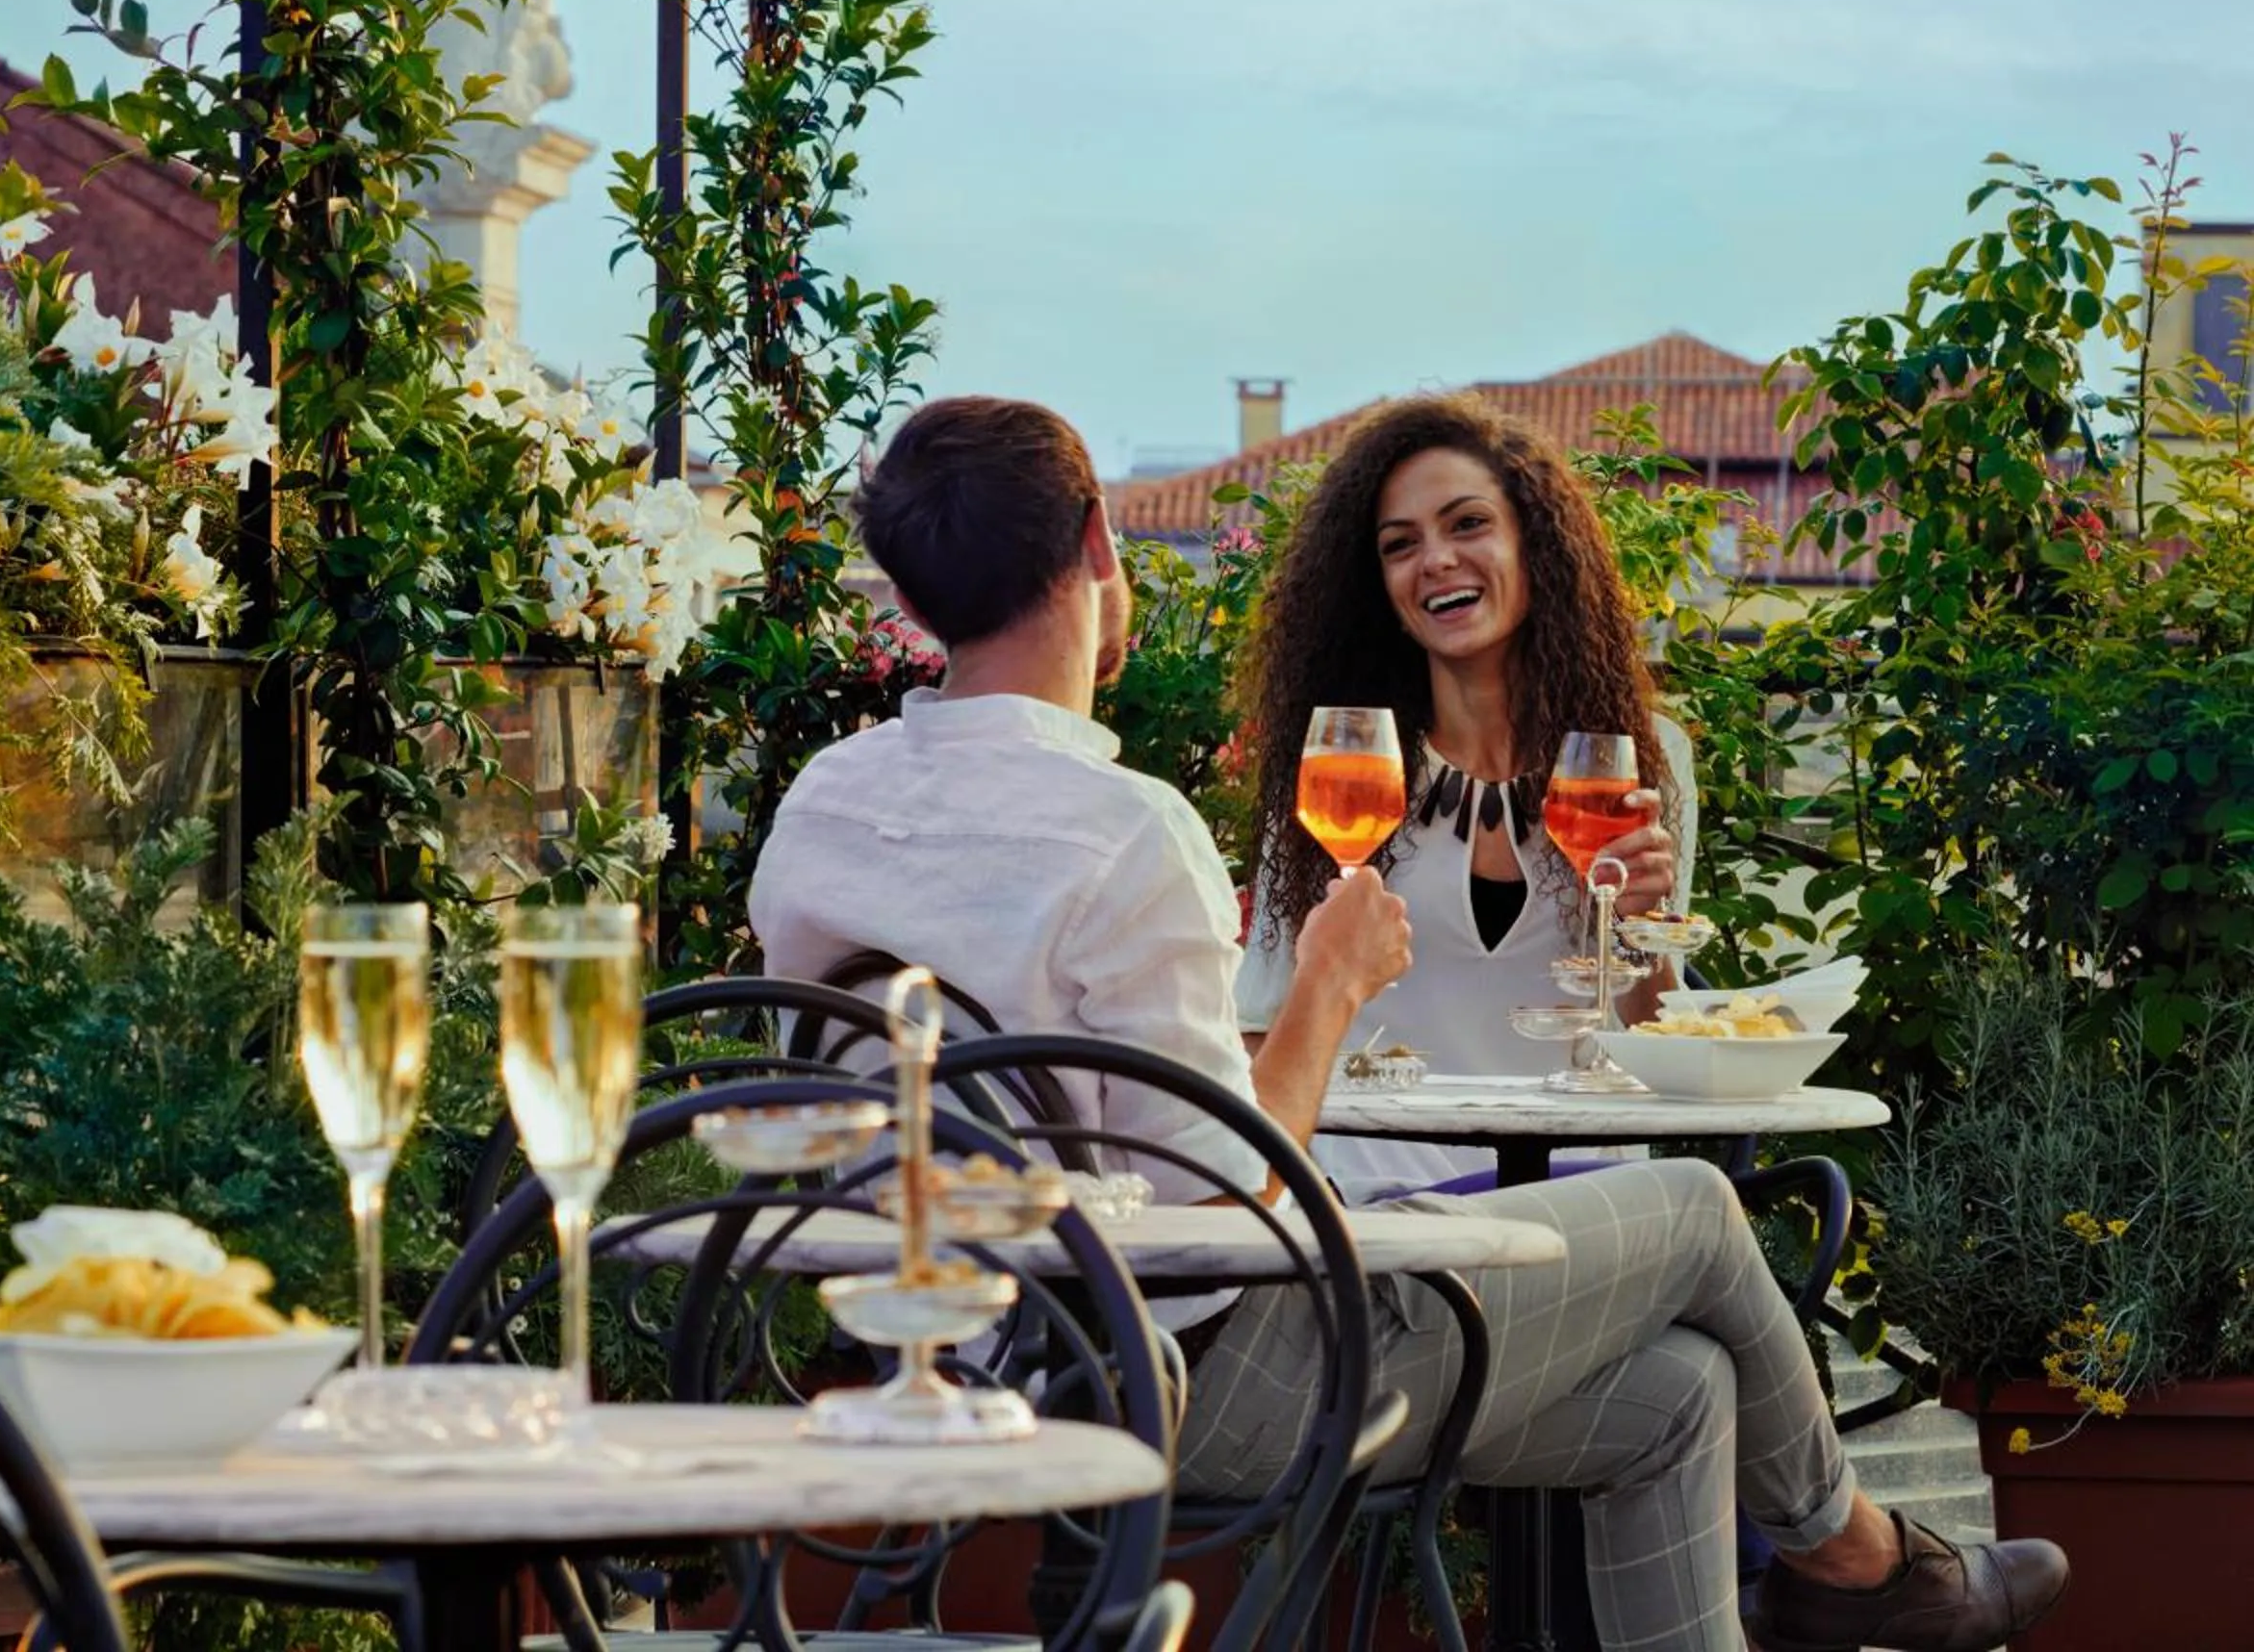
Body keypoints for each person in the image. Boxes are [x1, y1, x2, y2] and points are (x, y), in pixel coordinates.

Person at [750, 395, 2064, 1652]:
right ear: (1101, 544)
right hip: (1190, 1379)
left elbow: (818, 1124)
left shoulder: (820, 806)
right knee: (1699, 1212)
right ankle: (1861, 1564)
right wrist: (1324, 987)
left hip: (963, 1357)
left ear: (914, 598)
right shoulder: (1121, 832)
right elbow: (1224, 1202)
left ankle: (1849, 1571)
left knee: (1677, 1398)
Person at [1237, 394, 1694, 1200]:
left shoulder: (1641, 762)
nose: (1437, 559)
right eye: (1399, 545)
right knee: (1708, 1252)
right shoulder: (1339, 774)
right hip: (1378, 1204)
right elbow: (1260, 1024)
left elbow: (1664, 1042)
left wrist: (1644, 935)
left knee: (1692, 1315)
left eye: (1468, 524)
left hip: (1580, 1201)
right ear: (1376, 586)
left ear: (1535, 544)